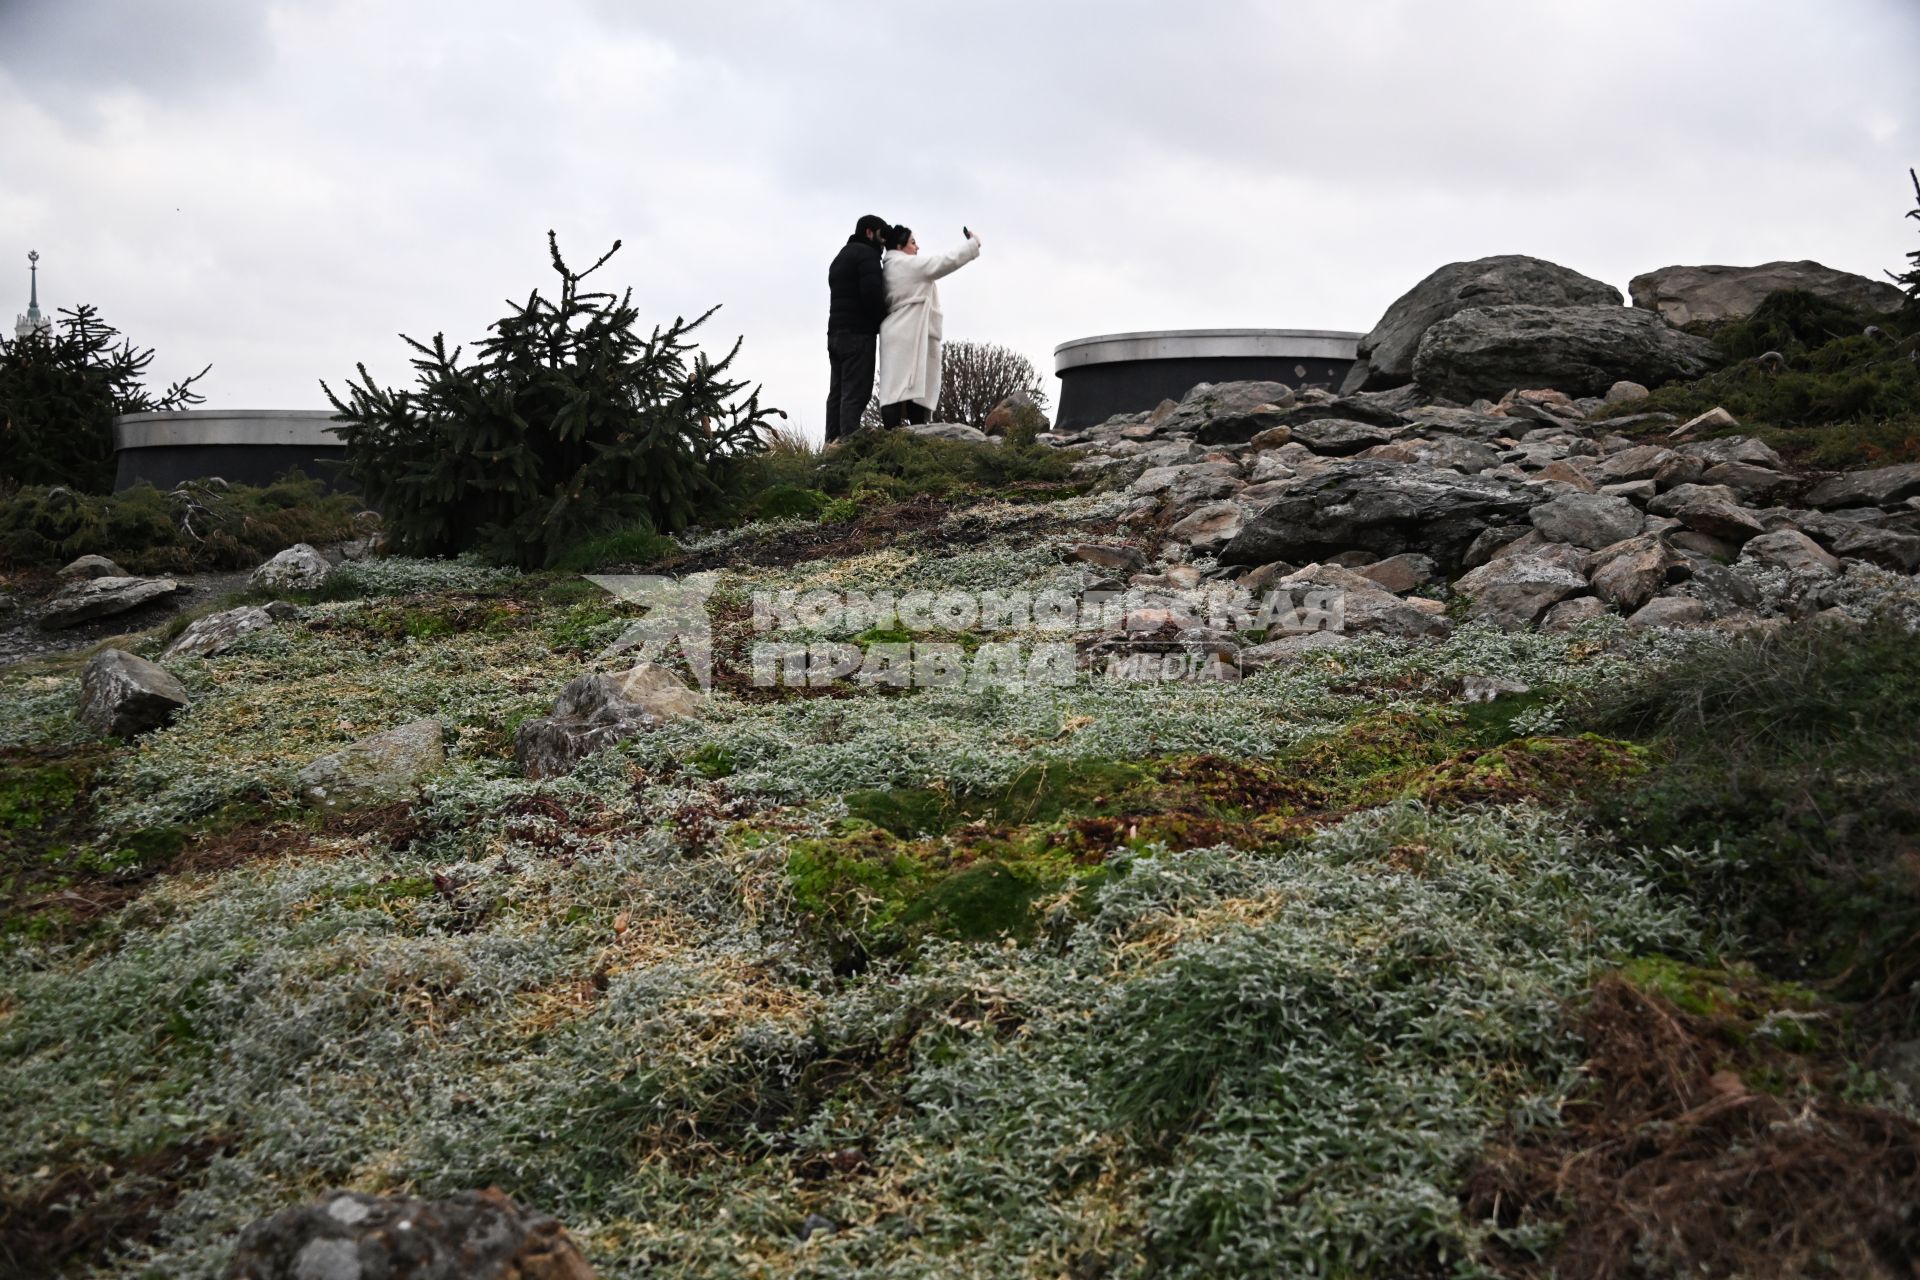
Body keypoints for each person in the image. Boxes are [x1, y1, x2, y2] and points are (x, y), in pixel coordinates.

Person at [876, 225, 981, 428]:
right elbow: (943, 262)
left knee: (894, 391)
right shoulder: (906, 264)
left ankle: (890, 440)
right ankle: (912, 439)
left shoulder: (890, 265)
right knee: (914, 392)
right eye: (913, 242)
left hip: (897, 329)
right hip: (910, 330)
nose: (917, 248)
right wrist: (972, 245)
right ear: (899, 246)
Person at [825, 214, 891, 442]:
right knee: (855, 393)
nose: (884, 242)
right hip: (858, 335)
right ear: (869, 232)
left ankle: (831, 443)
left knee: (837, 392)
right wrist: (886, 319)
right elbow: (871, 294)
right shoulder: (867, 256)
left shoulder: (841, 257)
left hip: (835, 334)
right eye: (882, 234)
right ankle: (846, 444)